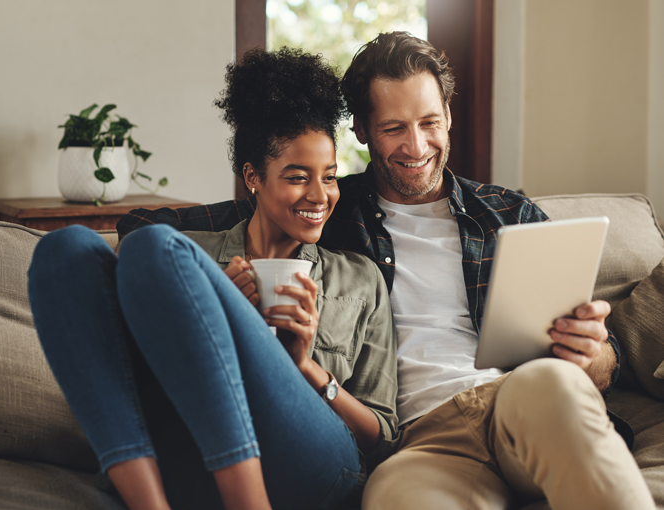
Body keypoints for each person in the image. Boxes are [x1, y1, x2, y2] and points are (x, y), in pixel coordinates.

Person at [116, 33, 656, 509]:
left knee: (555, 385)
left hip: (522, 403)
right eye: (394, 128)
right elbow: (147, 229)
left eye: (429, 123)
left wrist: (594, 354)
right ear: (362, 132)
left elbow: (598, 365)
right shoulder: (327, 205)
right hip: (417, 445)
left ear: (448, 114)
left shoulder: (508, 213)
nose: (416, 146)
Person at [28, 47, 399, 510]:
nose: (320, 195)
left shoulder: (360, 280)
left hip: (312, 462)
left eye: (330, 177)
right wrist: (214, 309)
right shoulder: (190, 259)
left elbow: (384, 437)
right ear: (253, 177)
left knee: (153, 243)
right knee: (64, 249)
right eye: (298, 177)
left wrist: (306, 368)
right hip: (187, 451)